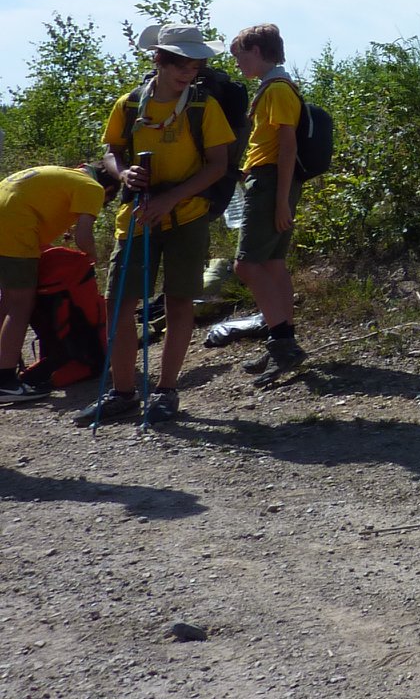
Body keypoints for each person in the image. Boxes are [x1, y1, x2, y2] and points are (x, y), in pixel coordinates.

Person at [74, 23, 233, 426]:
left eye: (195, 64)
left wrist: (170, 198)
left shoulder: (203, 107)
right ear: (159, 60)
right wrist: (123, 172)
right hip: (139, 215)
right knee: (119, 305)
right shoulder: (129, 105)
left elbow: (219, 165)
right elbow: (111, 151)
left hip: (187, 215)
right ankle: (123, 393)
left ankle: (166, 392)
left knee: (180, 301)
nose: (188, 72)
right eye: (180, 63)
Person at [229, 24, 310, 375]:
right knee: (273, 264)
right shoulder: (276, 86)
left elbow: (287, 146)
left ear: (259, 52)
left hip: (271, 182)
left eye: (241, 56)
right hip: (272, 181)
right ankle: (283, 341)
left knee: (246, 265)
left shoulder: (277, 90)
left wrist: (279, 202)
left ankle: (282, 344)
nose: (238, 64)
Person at [0, 163, 116, 404]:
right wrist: (93, 257)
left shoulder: (64, 175)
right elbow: (83, 237)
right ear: (110, 189)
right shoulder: (92, 188)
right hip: (16, 226)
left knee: (8, 300)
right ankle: (5, 382)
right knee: (21, 304)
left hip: (8, 217)